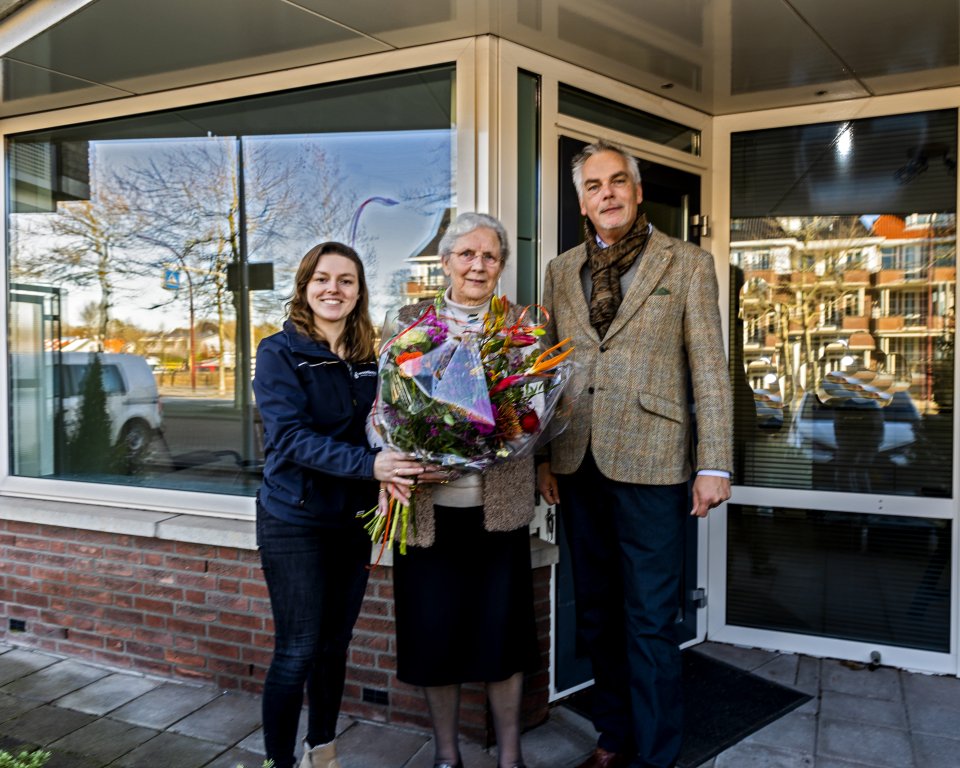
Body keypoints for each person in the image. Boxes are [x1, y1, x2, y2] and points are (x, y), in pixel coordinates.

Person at [537, 140, 733, 768]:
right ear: (582, 201)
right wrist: (541, 458)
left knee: (649, 620)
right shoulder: (561, 271)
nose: (608, 194)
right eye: (594, 186)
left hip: (654, 460)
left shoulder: (688, 263)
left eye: (618, 182)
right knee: (597, 613)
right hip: (576, 463)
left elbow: (709, 366)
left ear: (638, 190)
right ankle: (614, 736)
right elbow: (548, 372)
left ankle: (656, 755)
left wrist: (714, 462)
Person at [254, 241, 428, 768]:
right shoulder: (279, 351)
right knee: (298, 649)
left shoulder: (371, 359)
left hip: (350, 521)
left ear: (359, 291)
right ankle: (279, 763)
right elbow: (289, 438)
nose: (335, 289)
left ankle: (321, 754)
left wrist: (405, 458)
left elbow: (379, 431)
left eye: (346, 280)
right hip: (295, 519)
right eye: (323, 279)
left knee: (334, 646)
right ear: (305, 286)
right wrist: (370, 468)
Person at [388, 212, 538, 768]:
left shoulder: (524, 326)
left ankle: (510, 757)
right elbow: (382, 409)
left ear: (501, 265)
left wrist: (519, 424)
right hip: (429, 512)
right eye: (466, 254)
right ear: (446, 261)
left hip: (496, 509)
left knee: (503, 639)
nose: (478, 265)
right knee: (434, 637)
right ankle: (447, 755)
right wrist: (399, 446)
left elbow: (542, 407)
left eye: (490, 256)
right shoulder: (407, 322)